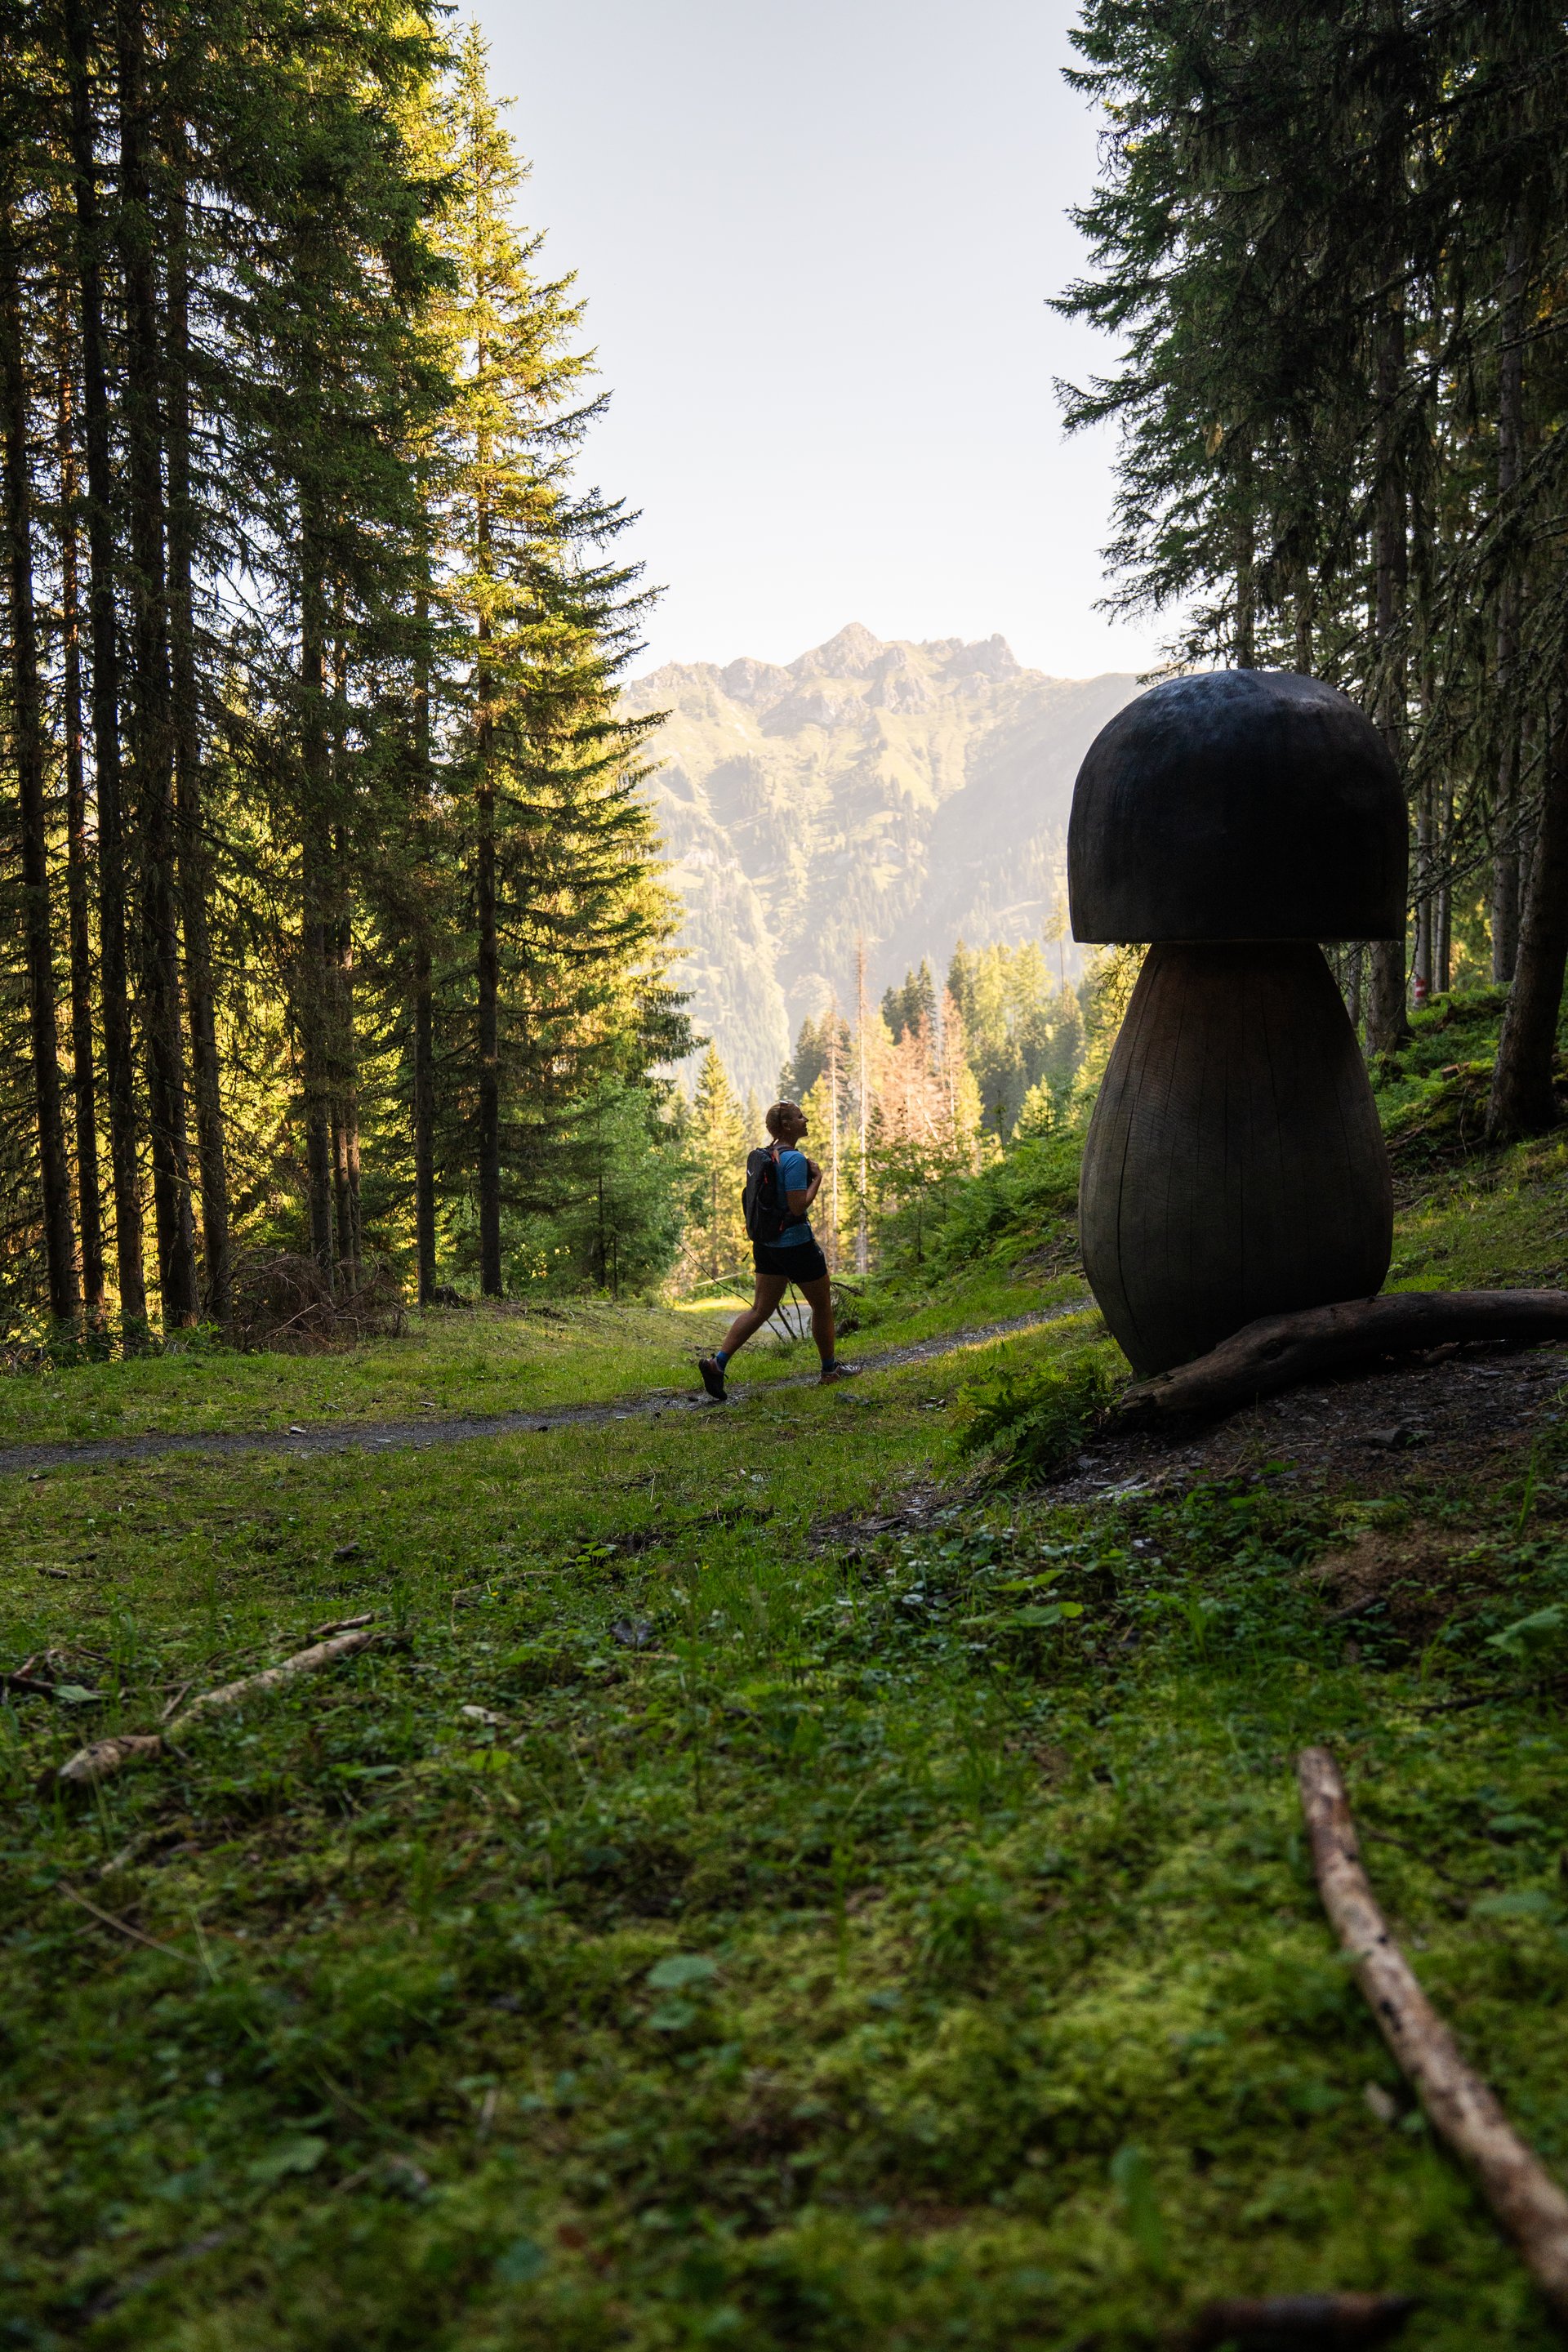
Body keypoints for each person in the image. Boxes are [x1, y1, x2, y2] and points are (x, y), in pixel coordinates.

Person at [697, 1100, 856, 1399]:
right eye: (799, 1116)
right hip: (795, 1244)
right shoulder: (794, 1159)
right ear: (786, 1125)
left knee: (760, 1309)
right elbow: (797, 1207)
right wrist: (818, 1178)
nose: (805, 1119)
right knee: (822, 1305)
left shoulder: (767, 1156)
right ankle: (829, 1370)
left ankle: (717, 1364)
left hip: (766, 1245)